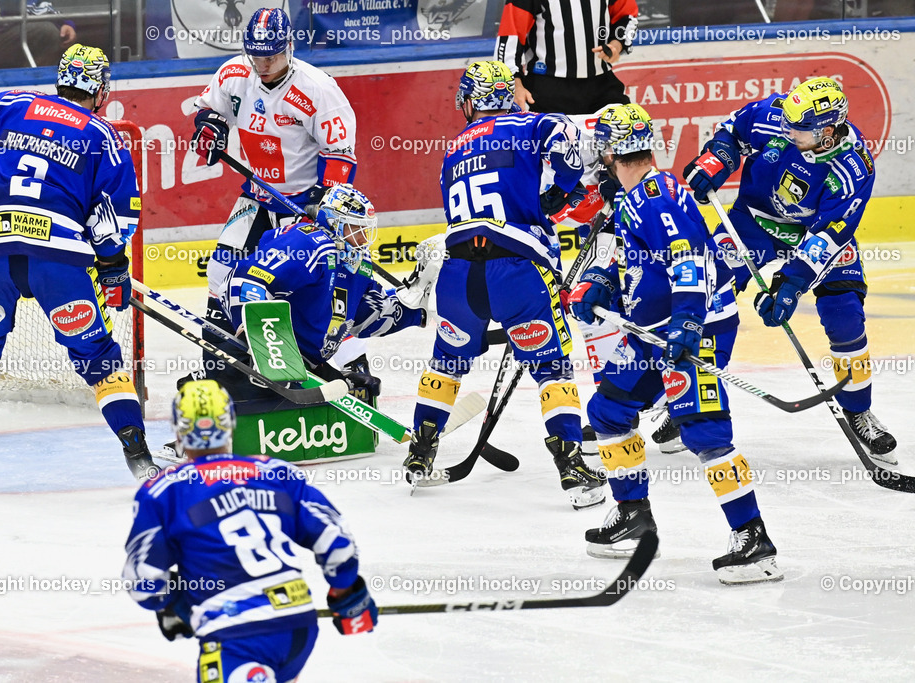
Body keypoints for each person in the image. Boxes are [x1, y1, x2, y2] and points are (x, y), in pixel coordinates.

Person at [0, 43, 156, 495]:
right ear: (100, 90)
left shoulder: (14, 104)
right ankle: (140, 458)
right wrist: (112, 266)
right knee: (99, 360)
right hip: (58, 260)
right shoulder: (103, 136)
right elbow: (115, 219)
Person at [566, 103, 782, 584]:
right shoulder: (632, 198)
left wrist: (687, 324)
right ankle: (633, 516)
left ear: (611, 150)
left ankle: (753, 539)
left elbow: (687, 261)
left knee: (703, 429)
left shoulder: (656, 195)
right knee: (608, 412)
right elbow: (637, 261)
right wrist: (601, 282)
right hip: (652, 332)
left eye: (600, 145)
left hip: (695, 327)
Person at [403, 60, 604, 509]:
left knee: (446, 362)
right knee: (552, 368)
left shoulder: (453, 148)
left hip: (458, 276)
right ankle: (570, 462)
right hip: (517, 271)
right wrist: (565, 189)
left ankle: (421, 449)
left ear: (473, 99)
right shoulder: (536, 123)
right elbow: (569, 146)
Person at [683, 76, 897, 460]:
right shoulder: (777, 114)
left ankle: (859, 408)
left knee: (845, 312)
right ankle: (683, 398)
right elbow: (733, 132)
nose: (785, 131)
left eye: (798, 130)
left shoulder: (854, 166)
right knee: (703, 297)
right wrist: (715, 160)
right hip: (753, 222)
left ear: (828, 131)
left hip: (814, 234)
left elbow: (830, 234)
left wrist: (791, 283)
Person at [123, 379, 378, 681]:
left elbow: (144, 582)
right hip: (297, 624)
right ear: (230, 423)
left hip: (236, 636)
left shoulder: (164, 491)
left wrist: (177, 602)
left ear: (178, 431)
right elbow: (337, 542)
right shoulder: (275, 472)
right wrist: (345, 590)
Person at [189, 6, 368, 394]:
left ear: (289, 46)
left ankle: (352, 375)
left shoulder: (318, 89)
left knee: (315, 291)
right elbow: (208, 109)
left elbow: (340, 154)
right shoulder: (235, 74)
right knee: (222, 274)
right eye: (257, 55)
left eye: (271, 55)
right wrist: (208, 128)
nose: (263, 63)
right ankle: (224, 371)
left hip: (303, 204)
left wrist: (321, 203)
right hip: (256, 198)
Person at [205, 184, 431, 413]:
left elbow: (371, 316)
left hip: (306, 365)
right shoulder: (310, 243)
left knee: (359, 388)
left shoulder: (359, 265)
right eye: (356, 228)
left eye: (366, 229)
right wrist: (258, 339)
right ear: (335, 223)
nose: (364, 238)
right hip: (262, 357)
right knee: (218, 400)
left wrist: (419, 306)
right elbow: (247, 280)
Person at [495, 0, 638, 114]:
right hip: (548, 90)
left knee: (627, 136)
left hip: (602, 85)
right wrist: (515, 84)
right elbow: (509, 37)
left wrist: (617, 44)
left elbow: (627, 16)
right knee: (555, 147)